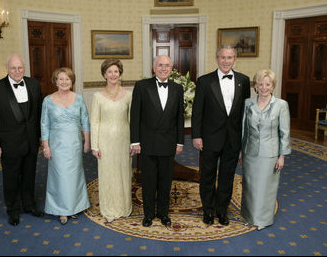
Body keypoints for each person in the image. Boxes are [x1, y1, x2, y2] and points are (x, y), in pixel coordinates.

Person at [191, 44, 251, 226]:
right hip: (209, 138)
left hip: (233, 139)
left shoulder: (244, 80)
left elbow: (244, 114)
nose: (226, 61)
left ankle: (222, 211)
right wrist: (196, 135)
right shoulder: (204, 81)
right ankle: (208, 211)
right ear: (217, 59)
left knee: (227, 177)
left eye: (230, 57)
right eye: (223, 57)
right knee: (207, 176)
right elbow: (197, 111)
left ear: (235, 59)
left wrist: (243, 142)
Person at [0, 54, 44, 226]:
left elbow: (39, 113)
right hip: (9, 142)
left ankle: (29, 205)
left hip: (31, 140)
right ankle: (13, 210)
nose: (17, 71)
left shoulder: (34, 84)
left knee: (29, 175)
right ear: (7, 69)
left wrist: (41, 135)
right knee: (11, 177)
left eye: (20, 68)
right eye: (13, 68)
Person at [130, 55, 185, 227]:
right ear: (154, 67)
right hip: (147, 143)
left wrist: (180, 142)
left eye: (167, 65)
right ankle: (148, 215)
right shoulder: (141, 86)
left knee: (165, 181)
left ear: (171, 68)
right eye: (160, 65)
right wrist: (135, 141)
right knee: (148, 181)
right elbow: (135, 116)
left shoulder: (178, 88)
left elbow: (179, 118)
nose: (163, 68)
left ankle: (163, 213)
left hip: (168, 142)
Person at [239, 69, 291, 230]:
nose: (263, 87)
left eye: (267, 84)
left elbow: (285, 132)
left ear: (272, 86)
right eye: (260, 84)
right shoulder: (248, 103)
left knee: (265, 187)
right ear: (255, 86)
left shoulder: (281, 105)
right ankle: (249, 216)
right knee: (250, 186)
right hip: (249, 152)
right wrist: (241, 150)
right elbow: (243, 129)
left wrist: (282, 155)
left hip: (270, 154)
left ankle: (263, 219)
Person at [41, 67, 91, 225]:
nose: (64, 82)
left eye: (67, 79)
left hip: (75, 143)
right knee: (60, 177)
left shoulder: (79, 98)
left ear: (72, 81)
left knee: (75, 176)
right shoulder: (48, 100)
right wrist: (46, 146)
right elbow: (44, 125)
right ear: (55, 81)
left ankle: (75, 206)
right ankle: (61, 209)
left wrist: (87, 141)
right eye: (61, 79)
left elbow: (85, 121)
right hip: (57, 144)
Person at [90, 59, 133, 223]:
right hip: (105, 140)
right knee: (108, 173)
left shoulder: (129, 94)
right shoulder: (97, 96)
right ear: (104, 74)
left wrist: (133, 143)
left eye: (116, 71)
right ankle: (109, 208)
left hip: (124, 139)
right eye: (110, 71)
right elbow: (95, 121)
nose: (113, 74)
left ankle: (123, 207)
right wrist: (95, 145)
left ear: (120, 73)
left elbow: (131, 121)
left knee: (123, 172)